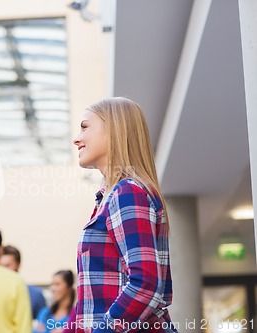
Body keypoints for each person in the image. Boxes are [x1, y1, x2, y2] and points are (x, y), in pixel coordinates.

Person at [72, 97, 178, 333]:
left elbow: (145, 285)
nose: (76, 138)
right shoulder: (108, 198)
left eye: (85, 126)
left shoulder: (127, 192)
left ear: (113, 129)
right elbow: (90, 298)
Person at [0, 245, 47, 320]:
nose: (3, 270)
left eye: (7, 265)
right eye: (0, 266)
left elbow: (42, 326)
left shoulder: (35, 295)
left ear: (18, 265)